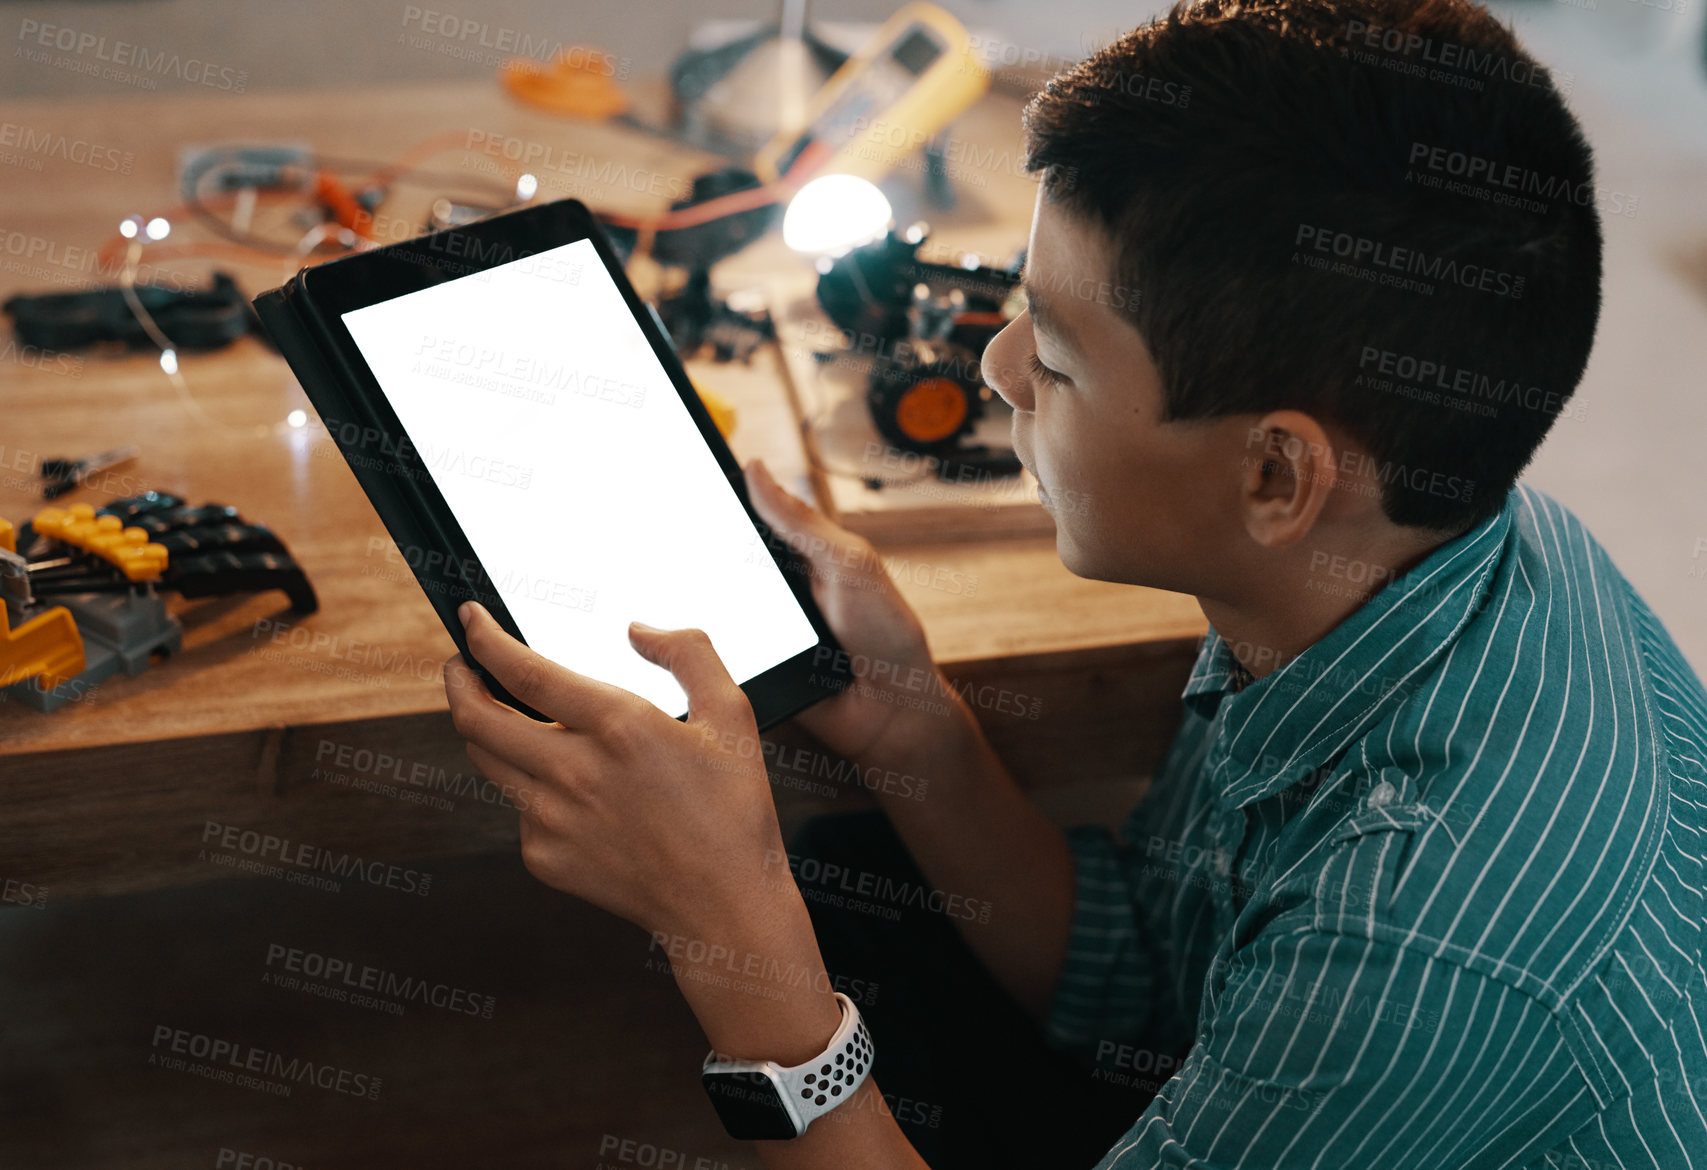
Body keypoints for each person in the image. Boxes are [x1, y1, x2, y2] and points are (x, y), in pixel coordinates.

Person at [442, 0, 1707, 1165]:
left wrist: (741, 948)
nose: (995, 372)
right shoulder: (1400, 562)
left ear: (1277, 476)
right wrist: (913, 726)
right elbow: (1152, 986)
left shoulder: (1417, 945)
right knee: (846, 880)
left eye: (1054, 351)